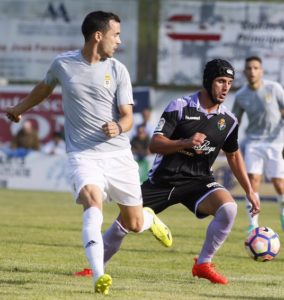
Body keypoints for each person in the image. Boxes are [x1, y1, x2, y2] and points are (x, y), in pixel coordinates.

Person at [5, 11, 172, 295]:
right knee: (92, 201)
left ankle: (149, 219)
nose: (118, 41)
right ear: (98, 35)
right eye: (115, 34)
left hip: (118, 156)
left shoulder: (118, 70)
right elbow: (43, 90)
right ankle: (99, 275)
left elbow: (128, 118)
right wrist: (18, 109)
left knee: (133, 223)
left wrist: (118, 127)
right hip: (82, 155)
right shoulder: (63, 65)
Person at [77, 59, 260, 284]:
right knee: (124, 223)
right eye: (221, 81)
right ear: (208, 81)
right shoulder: (180, 106)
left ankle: (203, 263)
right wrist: (185, 142)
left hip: (198, 182)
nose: (225, 87)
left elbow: (233, 155)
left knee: (229, 208)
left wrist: (249, 190)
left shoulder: (228, 120)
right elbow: (155, 144)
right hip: (162, 181)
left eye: (229, 83)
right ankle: (93, 268)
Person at [232, 56, 284, 231]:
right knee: (253, 180)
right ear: (245, 72)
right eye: (249, 68)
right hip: (253, 142)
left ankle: (283, 213)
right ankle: (253, 224)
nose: (252, 71)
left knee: (279, 183)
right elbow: (234, 121)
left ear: (261, 71)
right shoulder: (240, 96)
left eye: (256, 68)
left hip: (276, 141)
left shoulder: (274, 88)